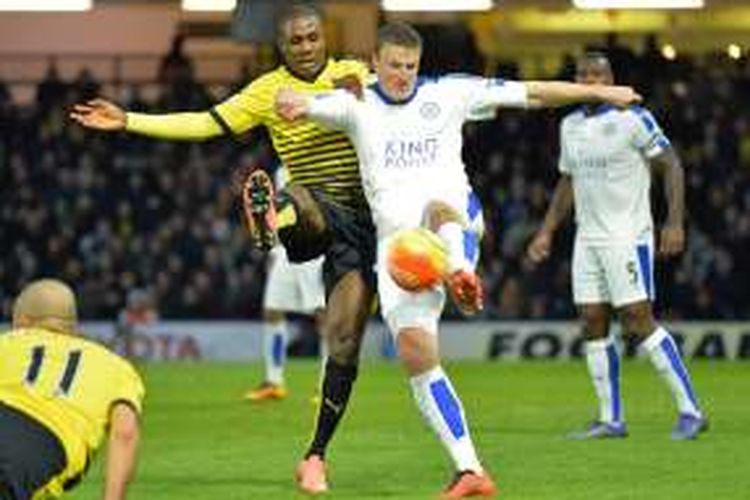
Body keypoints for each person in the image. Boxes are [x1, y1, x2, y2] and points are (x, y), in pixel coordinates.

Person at [276, 22, 642, 498]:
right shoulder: (356, 104)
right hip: (397, 251)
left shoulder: (450, 93)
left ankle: (461, 271)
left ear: (419, 64)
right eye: (394, 66)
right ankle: (470, 470)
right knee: (416, 355)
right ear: (376, 61)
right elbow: (298, 104)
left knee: (440, 211)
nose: (403, 75)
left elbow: (531, 93)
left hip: (451, 222)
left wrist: (606, 92)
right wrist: (293, 100)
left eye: (410, 66)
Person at [69, 3, 375, 494]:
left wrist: (365, 93)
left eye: (312, 37)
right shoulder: (267, 91)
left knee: (343, 343)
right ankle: (274, 217)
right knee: (298, 194)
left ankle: (320, 456)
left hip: (373, 221)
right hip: (319, 210)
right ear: (281, 47)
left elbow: (387, 99)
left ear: (325, 37)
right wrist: (129, 119)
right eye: (295, 40)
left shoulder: (352, 73)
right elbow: (204, 122)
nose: (306, 46)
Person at [526, 52, 707, 440]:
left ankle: (691, 410)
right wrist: (546, 230)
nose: (590, 81)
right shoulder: (569, 125)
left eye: (598, 75)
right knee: (592, 320)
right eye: (583, 75)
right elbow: (567, 181)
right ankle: (611, 419)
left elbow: (671, 164)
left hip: (627, 234)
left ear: (611, 79)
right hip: (586, 237)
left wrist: (674, 221)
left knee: (638, 320)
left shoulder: (633, 118)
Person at [0, 279, 144, 499]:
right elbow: (125, 432)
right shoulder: (116, 367)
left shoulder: (7, 342)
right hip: (37, 447)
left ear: (22, 319)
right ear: (73, 325)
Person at [245, 166, 326, 402]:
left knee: (324, 316)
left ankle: (327, 385)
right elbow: (276, 214)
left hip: (314, 247)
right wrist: (273, 252)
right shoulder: (281, 171)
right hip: (285, 250)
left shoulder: (317, 162)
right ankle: (274, 381)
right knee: (272, 311)